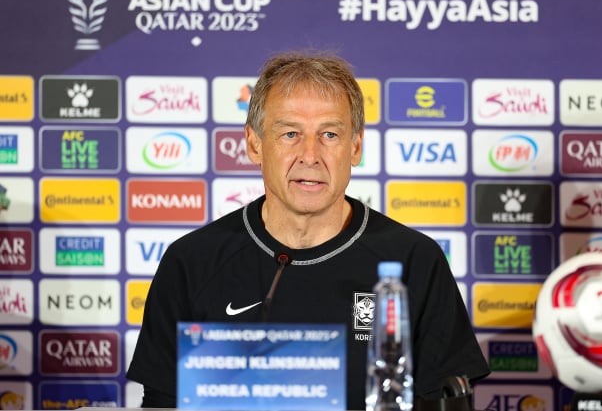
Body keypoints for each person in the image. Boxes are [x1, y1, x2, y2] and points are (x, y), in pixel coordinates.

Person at [126, 50, 490, 409]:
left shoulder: (414, 261)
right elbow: (163, 404)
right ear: (254, 144)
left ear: (356, 147)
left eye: (330, 134)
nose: (310, 155)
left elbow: (447, 398)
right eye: (290, 134)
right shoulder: (192, 261)